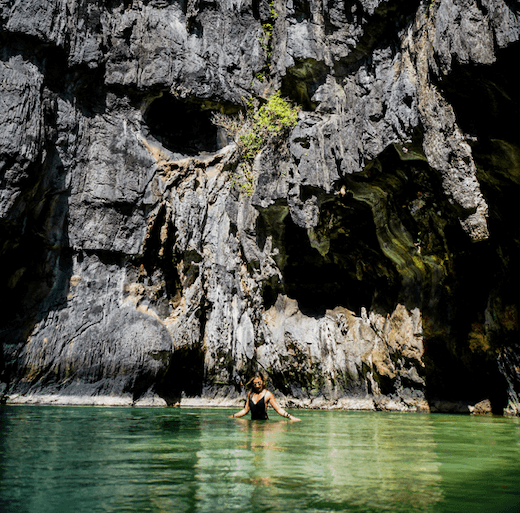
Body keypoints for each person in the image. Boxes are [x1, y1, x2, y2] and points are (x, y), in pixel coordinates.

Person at [231, 371, 301, 421]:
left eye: (259, 383)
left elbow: (279, 409)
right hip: (253, 425)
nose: (257, 386)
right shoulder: (250, 394)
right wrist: (233, 416)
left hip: (264, 424)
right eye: (255, 384)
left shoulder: (267, 394)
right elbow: (245, 410)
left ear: (263, 382)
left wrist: (291, 417)